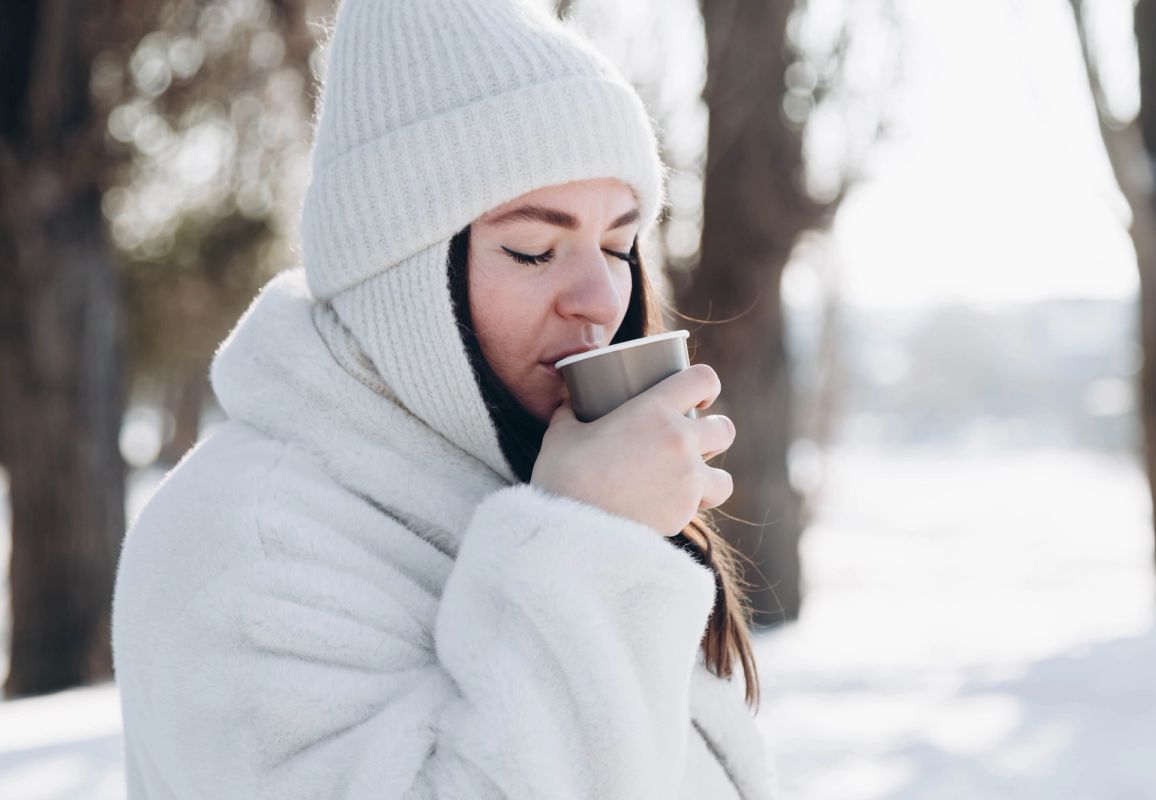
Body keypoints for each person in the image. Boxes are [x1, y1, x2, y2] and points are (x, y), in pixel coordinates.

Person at [111, 0, 780, 797]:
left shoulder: (523, 471)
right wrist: (585, 547)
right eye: (533, 249)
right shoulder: (246, 548)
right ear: (401, 277)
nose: (602, 299)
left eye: (617, 244)